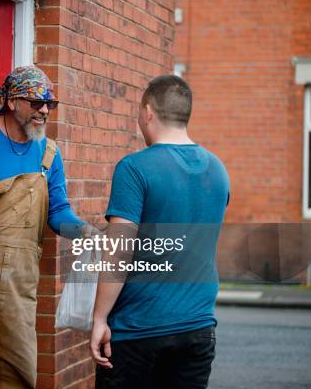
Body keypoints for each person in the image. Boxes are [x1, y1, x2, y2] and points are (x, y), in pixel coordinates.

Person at [90, 75, 230, 389]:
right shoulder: (219, 170)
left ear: (149, 112)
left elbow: (118, 252)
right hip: (198, 329)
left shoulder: (134, 167)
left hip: (138, 331)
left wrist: (99, 318)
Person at [0, 66, 95, 388]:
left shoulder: (49, 153)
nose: (45, 111)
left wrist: (83, 231)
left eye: (50, 104)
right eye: (36, 103)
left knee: (19, 369)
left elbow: (59, 210)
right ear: (11, 101)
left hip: (19, 280)